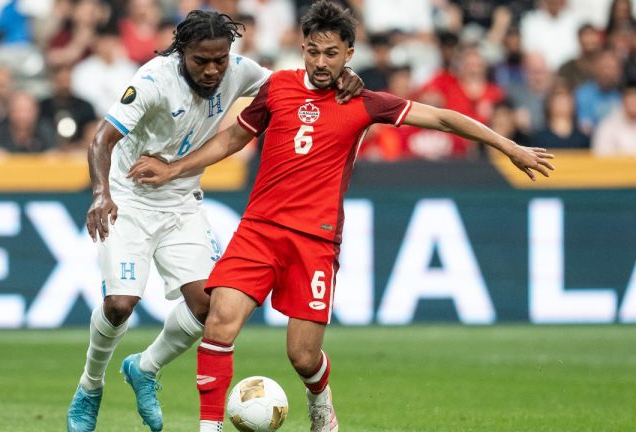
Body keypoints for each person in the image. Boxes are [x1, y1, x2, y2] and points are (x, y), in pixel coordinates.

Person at [126, 2, 555, 431]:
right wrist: (172, 168)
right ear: (302, 47)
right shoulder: (276, 88)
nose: (320, 62)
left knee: (303, 356)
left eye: (331, 53)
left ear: (349, 53)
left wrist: (509, 147)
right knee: (219, 320)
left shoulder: (363, 102)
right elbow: (232, 140)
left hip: (315, 240)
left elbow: (440, 117)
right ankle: (209, 428)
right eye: (313, 51)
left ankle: (320, 400)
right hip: (259, 230)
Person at [65, 9, 363, 432]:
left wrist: (347, 76)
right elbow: (102, 139)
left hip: (182, 200)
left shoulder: (240, 70)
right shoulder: (153, 80)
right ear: (181, 53)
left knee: (209, 306)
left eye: (219, 60)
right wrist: (101, 194)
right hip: (130, 198)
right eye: (200, 61)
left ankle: (144, 368)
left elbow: (302, 81)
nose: (211, 70)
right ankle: (90, 387)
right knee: (119, 305)